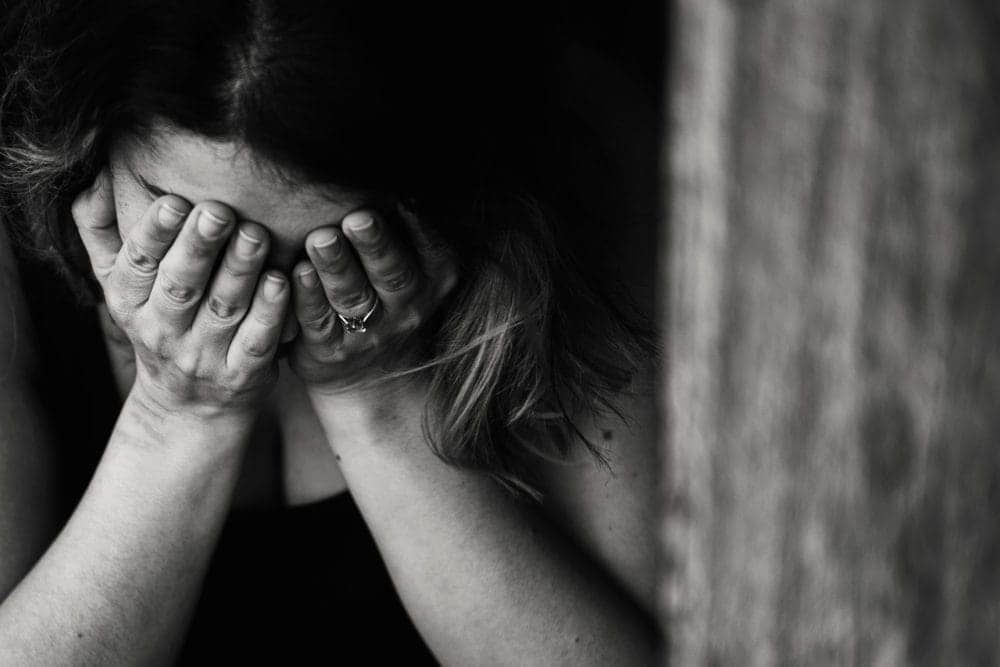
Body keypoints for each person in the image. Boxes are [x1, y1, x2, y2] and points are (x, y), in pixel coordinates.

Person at [0, 1, 660, 663]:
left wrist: (377, 398)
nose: (258, 298)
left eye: (329, 249)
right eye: (193, 230)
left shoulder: (579, 158)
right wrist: (174, 414)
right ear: (88, 137)